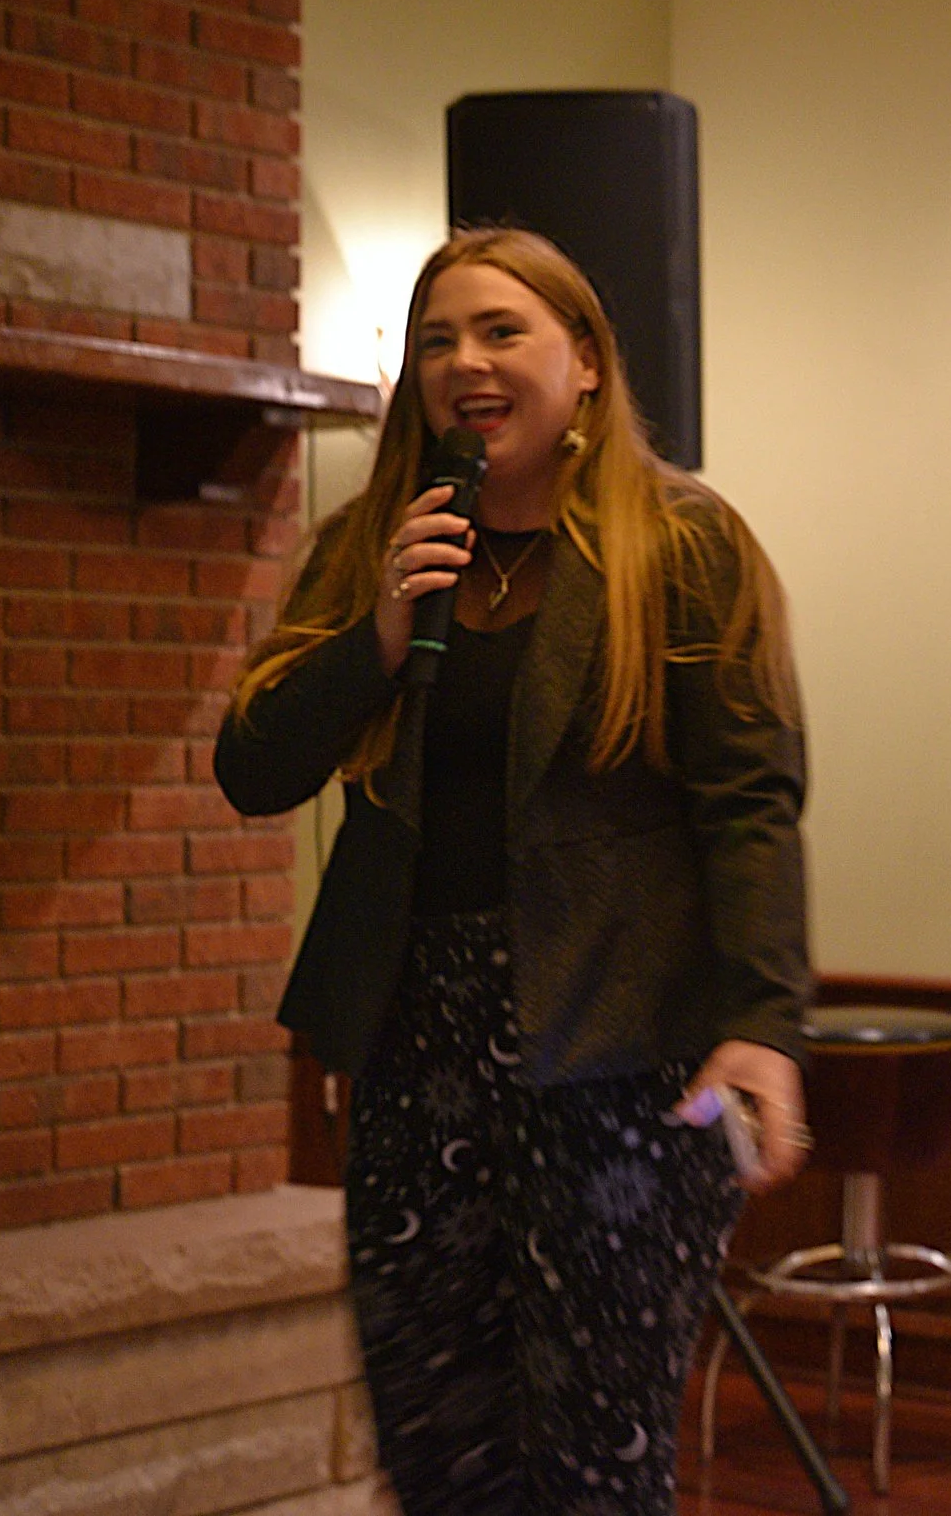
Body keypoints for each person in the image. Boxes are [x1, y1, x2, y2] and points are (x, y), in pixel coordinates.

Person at [216, 228, 814, 1515]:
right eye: (437, 341)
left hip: (626, 1062)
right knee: (442, 1462)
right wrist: (375, 635)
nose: (465, 364)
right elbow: (253, 766)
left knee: (594, 1465)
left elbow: (751, 803)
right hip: (413, 1062)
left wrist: (764, 1019)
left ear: (584, 362)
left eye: (501, 332)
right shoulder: (375, 544)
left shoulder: (684, 545)